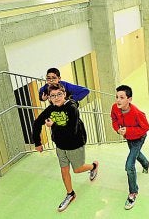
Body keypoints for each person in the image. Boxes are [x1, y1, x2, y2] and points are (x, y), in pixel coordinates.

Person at [32, 83, 99, 212]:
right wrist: (38, 143)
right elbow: (37, 123)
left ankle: (93, 166)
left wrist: (54, 125)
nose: (56, 98)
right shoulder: (51, 109)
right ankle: (70, 193)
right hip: (60, 145)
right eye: (53, 96)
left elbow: (71, 130)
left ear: (64, 95)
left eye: (59, 94)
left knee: (78, 169)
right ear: (49, 98)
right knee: (64, 170)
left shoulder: (72, 108)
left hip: (75, 143)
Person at [111, 85, 149, 210]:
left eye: (122, 97)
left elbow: (145, 128)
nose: (118, 100)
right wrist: (118, 130)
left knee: (129, 165)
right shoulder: (115, 108)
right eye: (117, 97)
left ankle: (133, 193)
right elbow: (114, 120)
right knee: (136, 154)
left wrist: (127, 130)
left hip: (139, 138)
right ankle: (146, 164)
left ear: (129, 99)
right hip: (128, 138)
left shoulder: (137, 113)